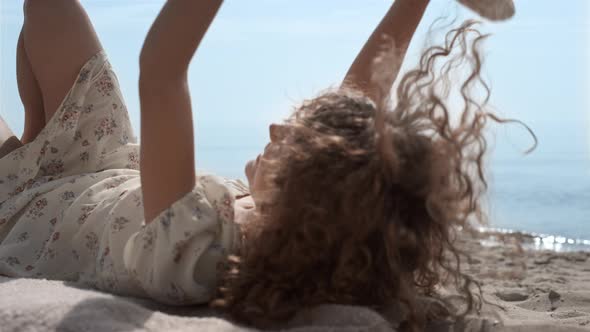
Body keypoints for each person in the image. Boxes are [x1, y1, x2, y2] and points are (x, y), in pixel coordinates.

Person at [0, 0, 509, 330]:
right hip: (102, 161)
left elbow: (161, 70)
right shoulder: (294, 222)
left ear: (304, 199)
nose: (274, 132)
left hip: (20, 212)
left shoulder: (199, 253)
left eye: (293, 142)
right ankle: (35, 128)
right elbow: (361, 100)